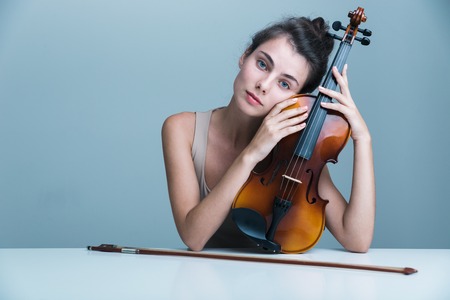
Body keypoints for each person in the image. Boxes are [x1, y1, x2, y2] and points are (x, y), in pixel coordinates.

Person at [161, 16, 375, 253]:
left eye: (285, 84)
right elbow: (193, 237)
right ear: (245, 56)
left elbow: (357, 239)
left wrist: (363, 139)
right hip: (203, 280)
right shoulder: (181, 129)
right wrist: (252, 154)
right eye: (262, 64)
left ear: (297, 98)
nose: (264, 84)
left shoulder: (294, 150)